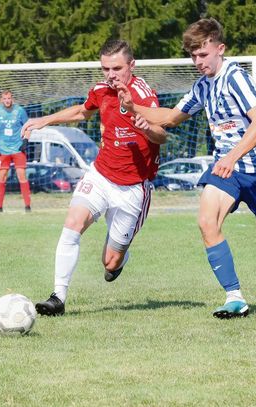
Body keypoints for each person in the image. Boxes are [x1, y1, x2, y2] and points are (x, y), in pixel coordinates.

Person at [116, 18, 256, 319]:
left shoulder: (235, 78)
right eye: (193, 56)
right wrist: (132, 106)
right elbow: (171, 117)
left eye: (203, 54)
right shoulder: (202, 87)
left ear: (220, 49)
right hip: (226, 170)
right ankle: (235, 297)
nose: (198, 61)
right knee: (206, 222)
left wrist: (233, 157)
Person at [21, 39, 167, 316]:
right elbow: (81, 111)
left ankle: (120, 260)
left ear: (131, 66)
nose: (111, 75)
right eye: (105, 69)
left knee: (110, 262)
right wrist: (44, 121)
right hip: (100, 175)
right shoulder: (101, 90)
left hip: (134, 188)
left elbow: (163, 134)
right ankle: (57, 298)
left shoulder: (144, 95)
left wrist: (147, 127)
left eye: (117, 68)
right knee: (72, 224)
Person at [0, 90, 31, 212]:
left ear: (12, 99)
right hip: (3, 149)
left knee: (21, 176)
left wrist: (25, 141)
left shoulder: (20, 111)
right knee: (1, 177)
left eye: (9, 98)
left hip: (18, 148)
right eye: (5, 99)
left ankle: (27, 206)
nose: (7, 101)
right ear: (1, 100)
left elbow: (28, 127)